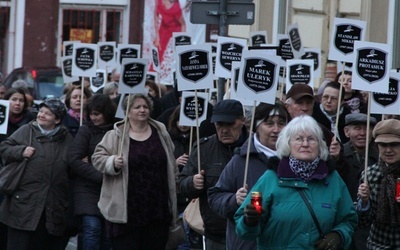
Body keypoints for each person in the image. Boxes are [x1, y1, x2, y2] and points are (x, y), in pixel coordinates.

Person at [234, 115, 358, 249]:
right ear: (288, 144)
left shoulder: (332, 179)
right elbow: (243, 231)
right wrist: (249, 222)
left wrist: (339, 235)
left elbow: (349, 220)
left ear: (320, 144)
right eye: (298, 139)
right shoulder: (271, 178)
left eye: (311, 139)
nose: (305, 144)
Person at [91, 93, 178, 249]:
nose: (142, 110)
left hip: (157, 209)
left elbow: (171, 162)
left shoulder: (161, 133)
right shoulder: (115, 135)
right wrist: (112, 162)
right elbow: (97, 158)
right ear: (127, 111)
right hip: (126, 211)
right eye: (137, 107)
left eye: (145, 107)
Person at [208, 101, 290, 250]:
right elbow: (214, 197)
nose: (276, 130)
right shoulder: (241, 160)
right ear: (256, 126)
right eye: (269, 123)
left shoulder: (296, 160)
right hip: (248, 244)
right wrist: (234, 200)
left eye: (282, 123)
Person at [0, 98, 73, 250]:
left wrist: (80, 160)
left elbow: (71, 167)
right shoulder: (27, 130)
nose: (41, 115)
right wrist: (20, 151)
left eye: (48, 113)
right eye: (41, 111)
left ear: (57, 119)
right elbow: (4, 148)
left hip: (51, 206)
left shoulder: (66, 138)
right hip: (24, 203)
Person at [179, 99, 247, 250]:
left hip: (249, 232)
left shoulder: (254, 148)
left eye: (230, 124)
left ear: (242, 121)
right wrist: (192, 182)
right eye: (219, 125)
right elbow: (181, 183)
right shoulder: (204, 148)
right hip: (216, 234)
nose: (224, 130)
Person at [68, 94, 117, 250]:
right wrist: (100, 175)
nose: (93, 117)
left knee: (109, 234)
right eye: (91, 114)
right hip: (87, 189)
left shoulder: (118, 131)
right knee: (92, 228)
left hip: (112, 189)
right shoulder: (86, 131)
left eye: (97, 114)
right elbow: (74, 160)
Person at [357, 119, 400, 249]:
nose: (388, 150)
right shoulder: (369, 174)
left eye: (394, 145)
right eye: (383, 145)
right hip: (378, 244)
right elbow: (363, 222)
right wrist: (364, 202)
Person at [339, 113, 378, 250]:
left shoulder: (381, 157)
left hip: (369, 227)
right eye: (357, 128)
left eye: (367, 128)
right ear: (346, 131)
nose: (362, 133)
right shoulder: (338, 154)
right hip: (343, 221)